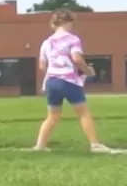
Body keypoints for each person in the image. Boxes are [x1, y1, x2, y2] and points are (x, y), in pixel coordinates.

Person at [34, 8, 112, 152]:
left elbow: (42, 66)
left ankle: (40, 145)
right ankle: (95, 144)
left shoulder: (46, 42)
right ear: (69, 22)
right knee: (83, 113)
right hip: (68, 81)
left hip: (51, 81)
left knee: (52, 116)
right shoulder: (72, 39)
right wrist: (88, 71)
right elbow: (76, 59)